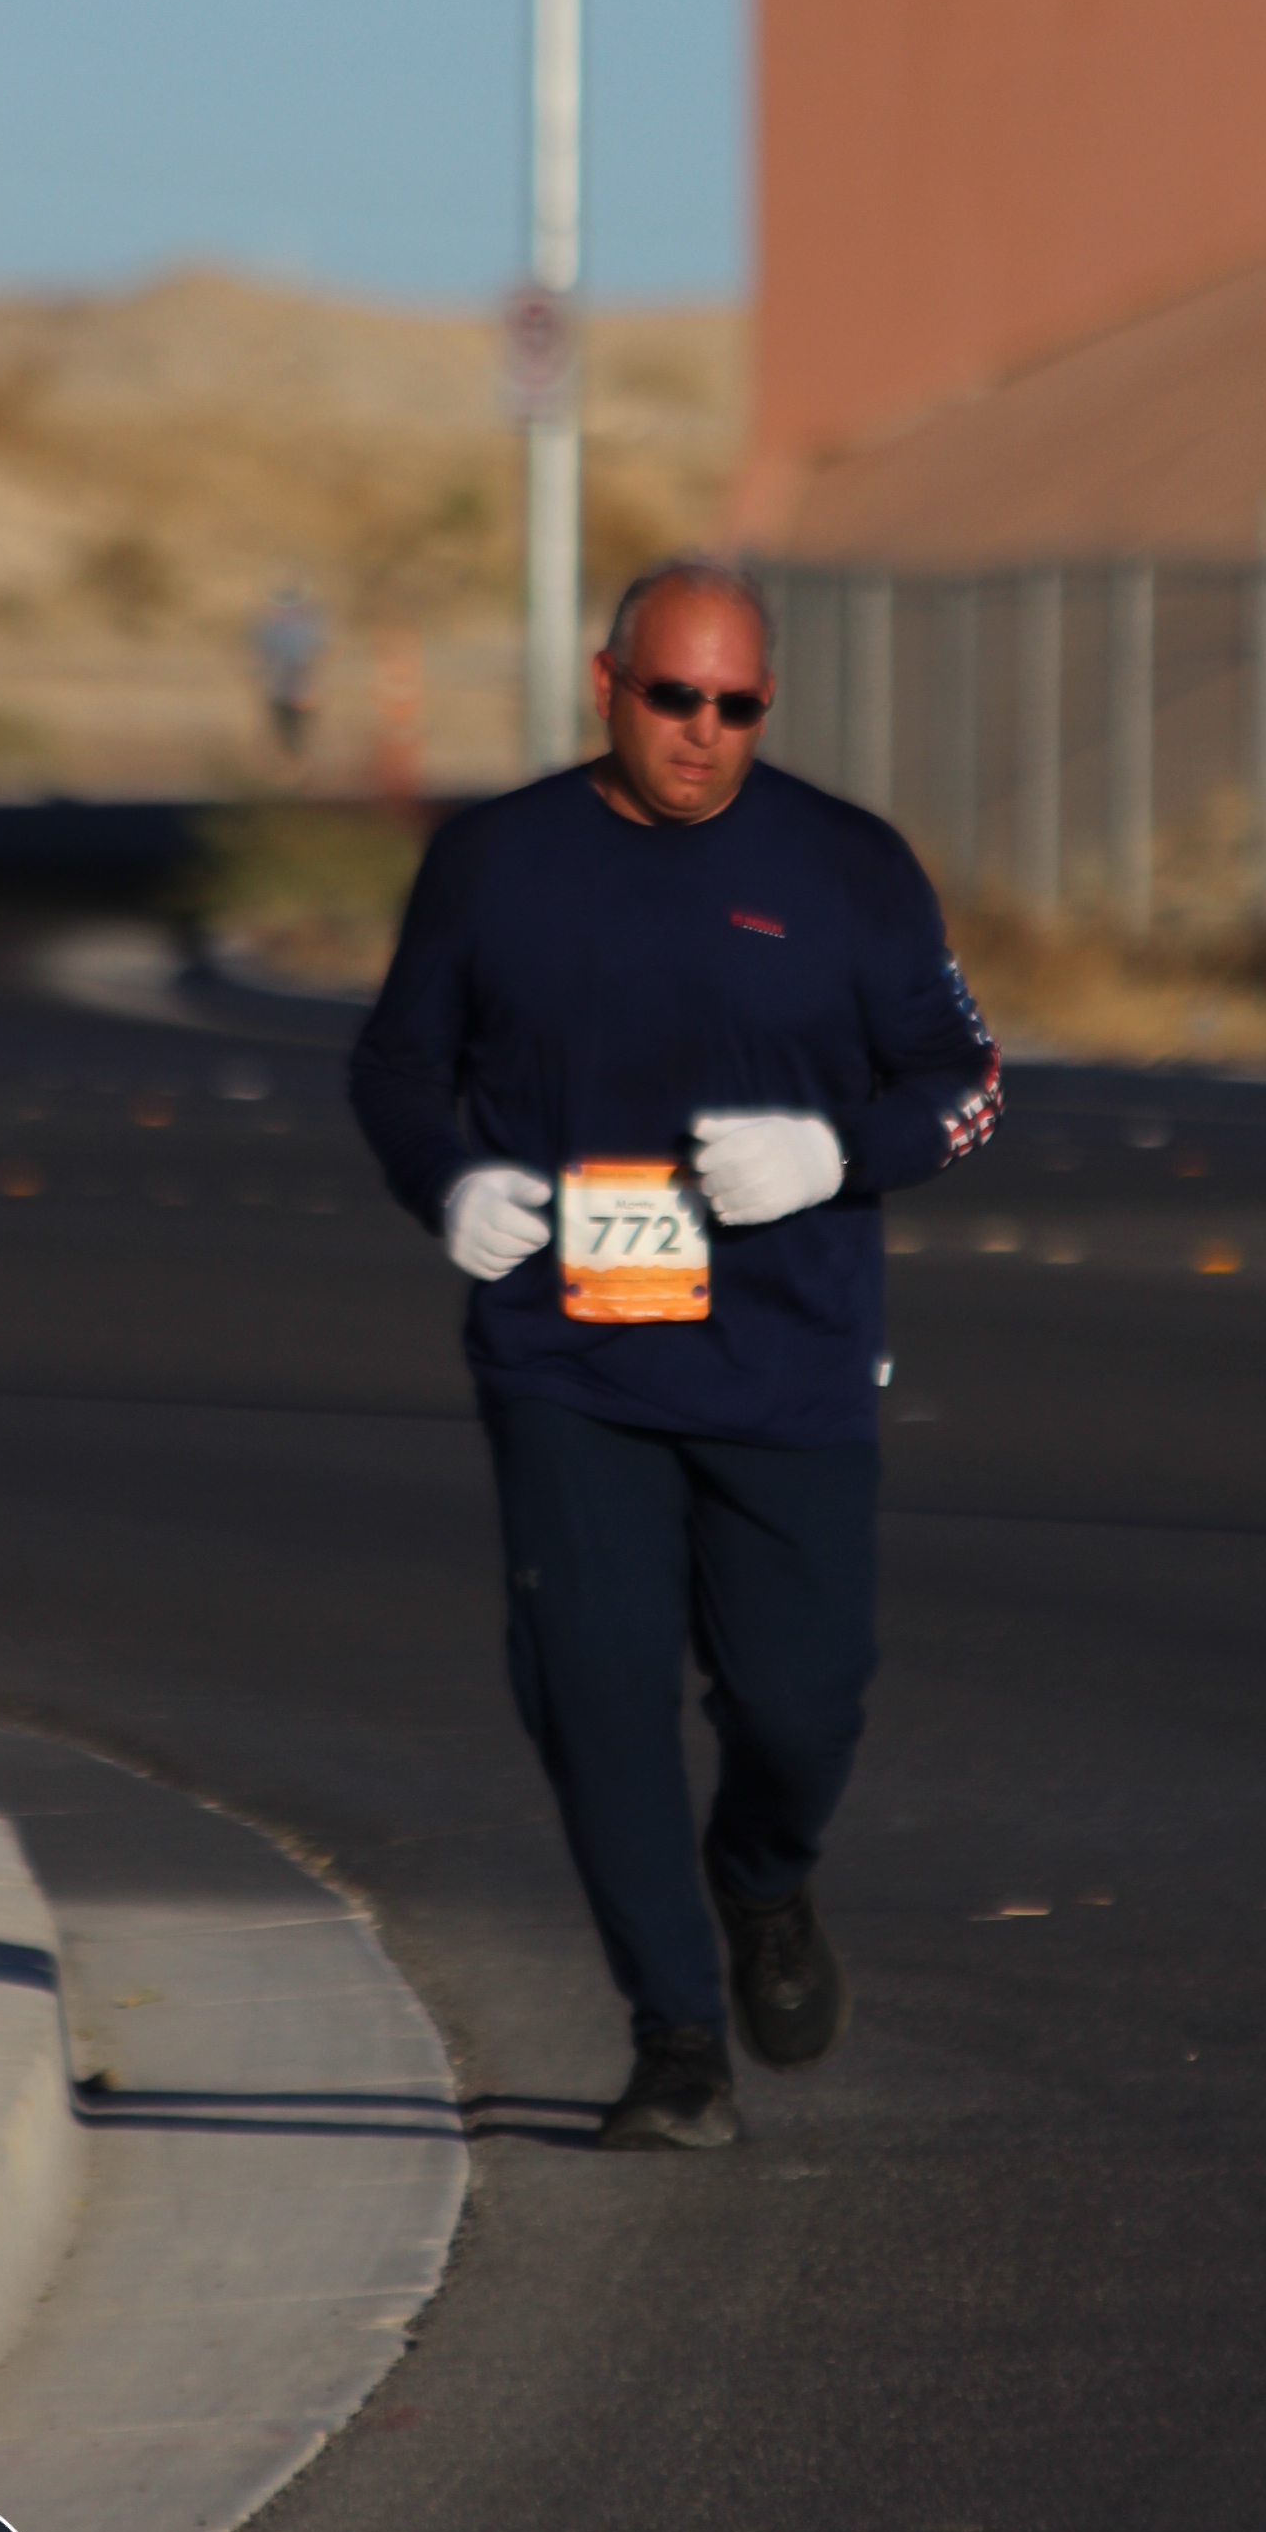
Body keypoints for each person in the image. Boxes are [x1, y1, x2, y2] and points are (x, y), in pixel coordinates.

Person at [348, 556, 1001, 2150]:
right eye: (672, 697)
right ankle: (676, 2042)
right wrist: (451, 1182)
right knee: (595, 1693)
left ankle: (763, 1881)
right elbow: (396, 1069)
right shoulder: (495, 861)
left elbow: (967, 1080)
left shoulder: (847, 866)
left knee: (799, 1709)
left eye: (738, 705)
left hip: (790, 1361)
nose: (704, 731)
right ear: (607, 686)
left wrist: (836, 1156)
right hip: (567, 1355)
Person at [251, 582, 325, 765]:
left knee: (300, 732)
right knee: (281, 730)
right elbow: (262, 657)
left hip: (300, 691)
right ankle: (286, 762)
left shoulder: (306, 631)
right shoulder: (271, 630)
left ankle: (298, 762)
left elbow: (315, 660)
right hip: (278, 690)